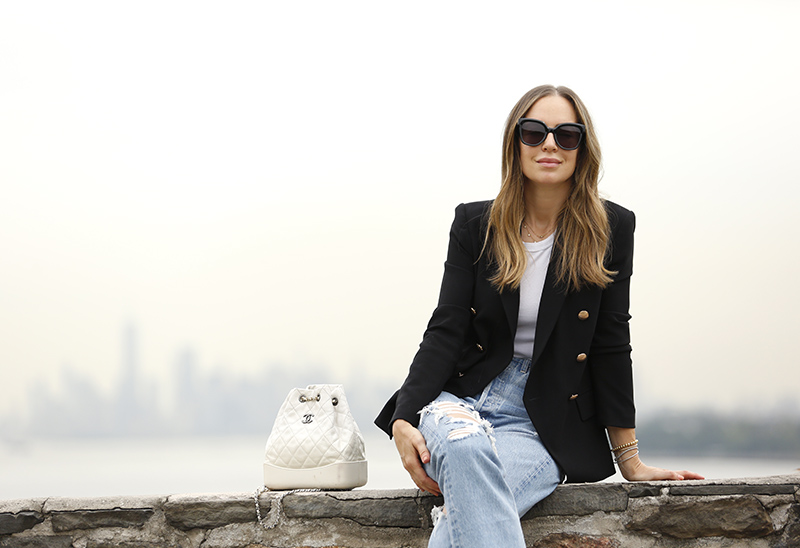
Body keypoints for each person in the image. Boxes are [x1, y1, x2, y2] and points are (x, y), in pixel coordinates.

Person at [375, 84, 703, 548]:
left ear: (582, 149)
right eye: (534, 132)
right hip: (461, 397)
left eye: (566, 135)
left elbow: (610, 342)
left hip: (543, 420)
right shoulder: (475, 225)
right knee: (465, 448)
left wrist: (628, 458)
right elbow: (446, 327)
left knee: (465, 516)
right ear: (516, 143)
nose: (550, 144)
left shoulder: (612, 229)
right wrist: (404, 419)